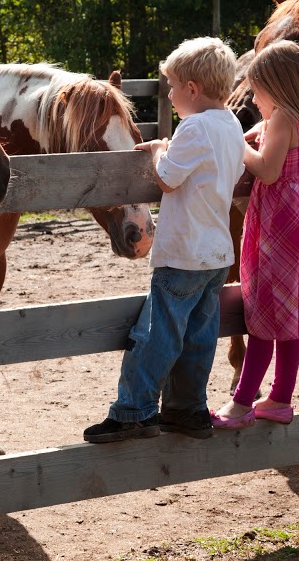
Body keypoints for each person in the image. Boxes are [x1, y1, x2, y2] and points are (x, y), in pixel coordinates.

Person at [84, 37, 246, 443]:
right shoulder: (231, 124)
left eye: (172, 87)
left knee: (156, 335)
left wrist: (159, 148)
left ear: (193, 89)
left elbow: (167, 177)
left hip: (183, 255)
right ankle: (186, 409)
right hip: (216, 255)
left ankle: (134, 410)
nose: (170, 95)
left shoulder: (193, 127)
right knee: (199, 338)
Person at [211, 39, 299, 429]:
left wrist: (236, 143)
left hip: (279, 235)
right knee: (289, 318)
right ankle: (280, 398)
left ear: (279, 86)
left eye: (257, 90)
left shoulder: (283, 117)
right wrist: (252, 133)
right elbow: (265, 133)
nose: (253, 98)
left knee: (265, 318)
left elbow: (267, 170)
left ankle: (242, 402)